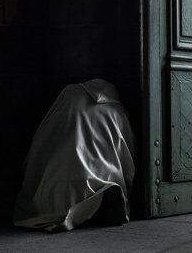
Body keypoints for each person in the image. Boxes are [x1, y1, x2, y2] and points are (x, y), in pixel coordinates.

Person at [13, 79, 136, 232]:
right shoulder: (117, 111)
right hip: (102, 180)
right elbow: (128, 153)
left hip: (55, 188)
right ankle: (102, 196)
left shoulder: (69, 100)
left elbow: (40, 147)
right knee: (108, 183)